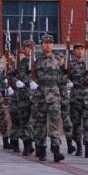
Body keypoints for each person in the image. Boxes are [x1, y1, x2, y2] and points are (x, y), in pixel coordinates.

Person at [31, 33, 66, 162]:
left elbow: (63, 76)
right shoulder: (36, 60)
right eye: (45, 43)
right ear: (42, 45)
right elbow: (29, 75)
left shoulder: (58, 59)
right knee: (40, 124)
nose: (48, 45)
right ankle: (42, 150)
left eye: (50, 43)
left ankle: (56, 151)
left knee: (54, 124)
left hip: (54, 96)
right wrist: (31, 82)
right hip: (40, 95)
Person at [67, 41, 88, 158]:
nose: (80, 51)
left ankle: (87, 146)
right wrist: (68, 81)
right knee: (76, 123)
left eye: (82, 49)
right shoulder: (70, 65)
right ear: (74, 51)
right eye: (77, 49)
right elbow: (65, 77)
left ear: (85, 51)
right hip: (75, 97)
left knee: (87, 123)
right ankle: (78, 146)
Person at [13, 39, 35, 156]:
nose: (29, 49)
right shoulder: (20, 63)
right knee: (25, 121)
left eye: (31, 47)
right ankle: (27, 144)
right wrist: (18, 81)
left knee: (35, 121)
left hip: (37, 97)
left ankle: (35, 144)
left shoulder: (38, 62)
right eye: (27, 47)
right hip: (24, 96)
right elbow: (13, 75)